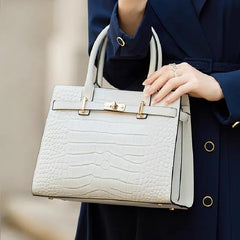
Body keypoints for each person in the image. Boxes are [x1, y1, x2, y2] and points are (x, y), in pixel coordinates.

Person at [75, 0, 240, 239]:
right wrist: (131, 11)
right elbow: (112, 69)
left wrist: (222, 85)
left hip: (230, 152)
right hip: (139, 162)